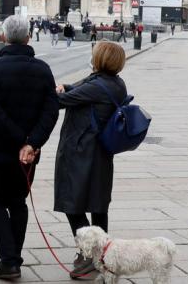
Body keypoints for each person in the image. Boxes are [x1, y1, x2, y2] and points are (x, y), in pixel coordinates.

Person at [0, 15, 60, 280]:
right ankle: (12, 259)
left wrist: (19, 141)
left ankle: (9, 260)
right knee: (18, 202)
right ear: (28, 37)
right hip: (28, 155)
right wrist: (31, 143)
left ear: (3, 37)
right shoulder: (43, 69)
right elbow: (51, 111)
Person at [54, 42, 128, 280]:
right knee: (98, 205)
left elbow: (61, 101)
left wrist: (53, 90)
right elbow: (77, 88)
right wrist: (65, 86)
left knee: (72, 204)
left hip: (82, 152)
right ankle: (102, 254)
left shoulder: (98, 86)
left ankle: (90, 255)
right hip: (99, 153)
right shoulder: (114, 82)